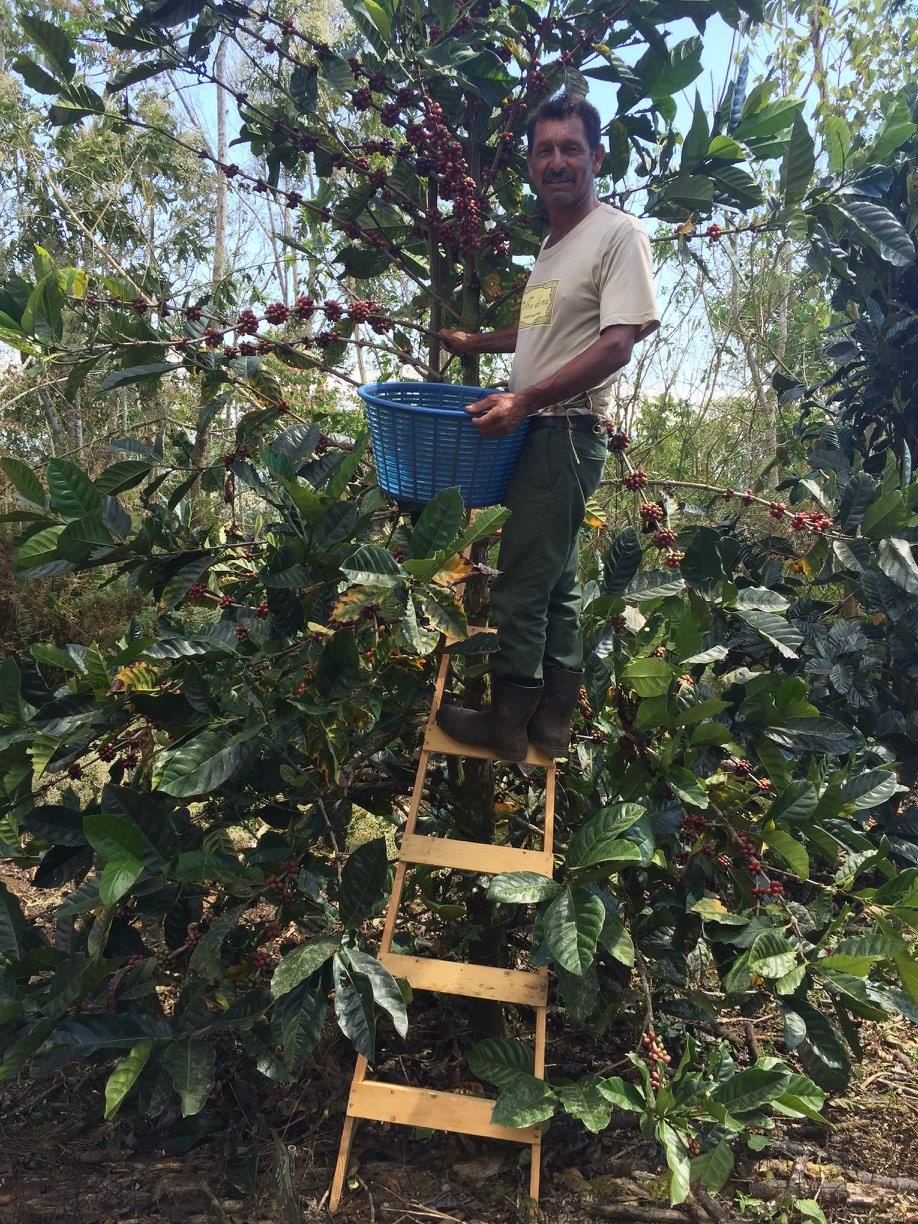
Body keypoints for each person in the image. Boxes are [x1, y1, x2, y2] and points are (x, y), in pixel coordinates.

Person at [435, 92, 661, 762]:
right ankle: (551, 722)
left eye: (570, 148)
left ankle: (506, 727)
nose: (556, 161)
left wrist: (525, 400)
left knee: (520, 587)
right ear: (531, 164)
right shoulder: (550, 248)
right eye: (544, 151)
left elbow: (617, 344)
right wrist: (478, 343)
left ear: (597, 157)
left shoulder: (618, 235)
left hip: (562, 431)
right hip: (544, 429)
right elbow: (536, 329)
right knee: (558, 583)